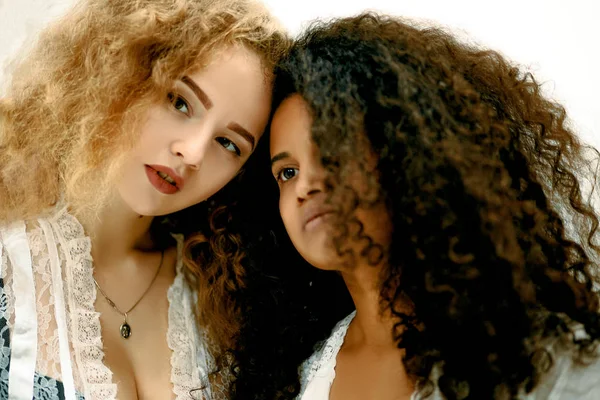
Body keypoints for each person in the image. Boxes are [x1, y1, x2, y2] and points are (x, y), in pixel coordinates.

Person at [230, 13, 600, 400]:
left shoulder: (547, 358)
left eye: (332, 151)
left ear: (410, 156)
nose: (306, 185)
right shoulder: (289, 377)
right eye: (287, 172)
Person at [0, 0, 287, 398]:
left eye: (228, 143)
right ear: (117, 73)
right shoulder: (9, 262)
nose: (193, 152)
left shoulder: (225, 301)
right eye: (179, 101)